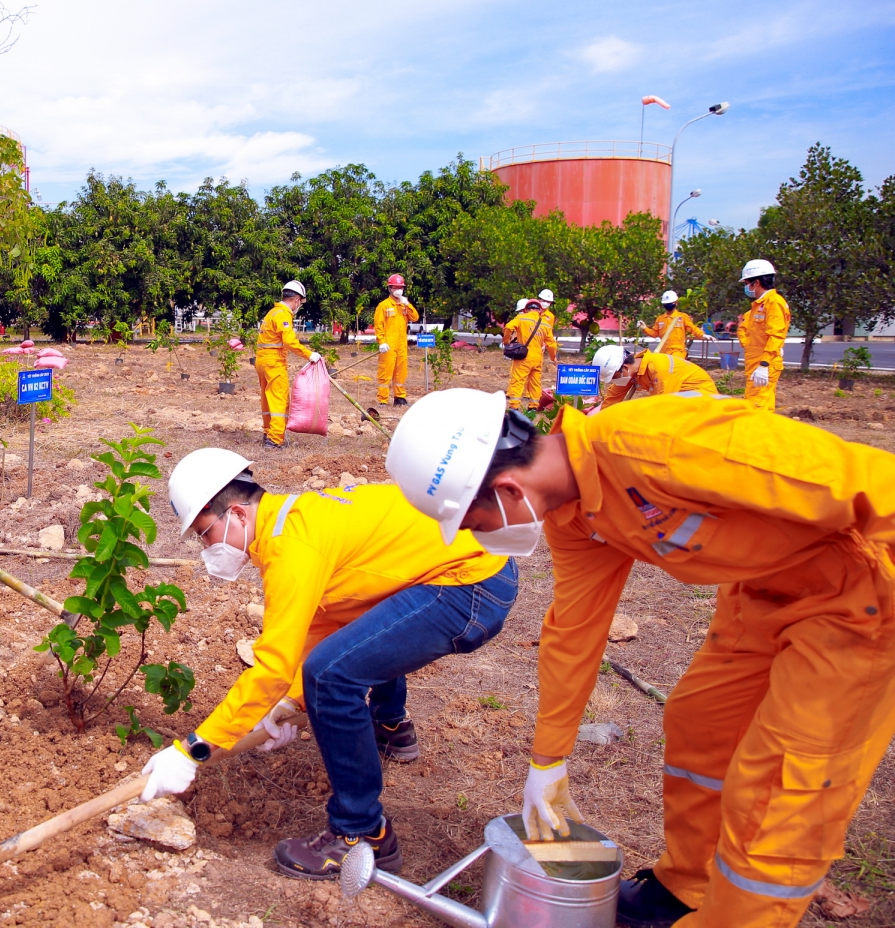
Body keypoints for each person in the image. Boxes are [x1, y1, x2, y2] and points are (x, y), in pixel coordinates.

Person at [386, 387, 895, 928]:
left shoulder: (662, 445)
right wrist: (548, 760)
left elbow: (876, 487)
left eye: (474, 524)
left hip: (861, 597)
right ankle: (685, 889)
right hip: (760, 591)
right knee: (701, 726)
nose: (478, 537)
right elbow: (574, 632)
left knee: (780, 790)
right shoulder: (574, 514)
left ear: (509, 489)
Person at [139, 447, 515, 880]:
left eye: (205, 533)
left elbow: (273, 665)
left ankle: (360, 834)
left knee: (330, 678)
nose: (206, 547)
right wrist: (290, 705)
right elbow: (325, 621)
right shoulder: (287, 520)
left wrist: (194, 750)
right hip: (463, 563)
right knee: (346, 647)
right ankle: (391, 726)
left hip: (471, 585)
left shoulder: (291, 547)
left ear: (239, 515)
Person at [256, 280, 321, 449]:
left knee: (267, 400)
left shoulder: (272, 312)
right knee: (279, 400)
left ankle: (268, 432)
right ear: (297, 299)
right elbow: (289, 341)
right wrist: (309, 354)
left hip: (262, 360)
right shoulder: (284, 314)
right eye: (301, 302)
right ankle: (275, 439)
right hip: (274, 362)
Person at [593, 345, 716, 409]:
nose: (615, 381)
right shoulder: (632, 372)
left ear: (625, 367)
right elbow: (611, 400)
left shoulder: (659, 369)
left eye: (615, 376)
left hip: (703, 403)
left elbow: (662, 407)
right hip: (681, 403)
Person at [737, 259, 789, 411]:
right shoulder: (759, 305)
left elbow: (776, 335)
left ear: (756, 282)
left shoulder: (774, 303)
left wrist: (764, 364)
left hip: (763, 364)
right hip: (756, 364)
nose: (746, 287)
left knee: (755, 408)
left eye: (746, 283)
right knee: (764, 408)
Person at [374, 274, 420, 406]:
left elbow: (415, 318)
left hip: (401, 344)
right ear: (390, 288)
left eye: (400, 287)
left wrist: (408, 305)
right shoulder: (383, 306)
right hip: (388, 344)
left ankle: (399, 397)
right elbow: (378, 325)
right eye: (395, 287)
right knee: (385, 371)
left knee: (401, 372)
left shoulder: (404, 305)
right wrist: (381, 341)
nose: (398, 290)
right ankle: (382, 399)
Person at [503, 298, 554, 411]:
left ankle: (514, 407)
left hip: (523, 355)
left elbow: (508, 327)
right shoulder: (546, 324)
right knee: (535, 382)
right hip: (537, 357)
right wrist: (553, 357)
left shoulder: (521, 318)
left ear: (526, 309)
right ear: (540, 310)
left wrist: (506, 342)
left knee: (518, 380)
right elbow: (552, 344)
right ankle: (533, 407)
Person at [645, 291, 707, 360]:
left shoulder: (682, 317)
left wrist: (703, 335)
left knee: (674, 365)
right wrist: (644, 328)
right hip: (664, 351)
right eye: (666, 303)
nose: (668, 305)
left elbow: (692, 329)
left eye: (670, 303)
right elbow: (654, 333)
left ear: (676, 303)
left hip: (678, 351)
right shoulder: (660, 319)